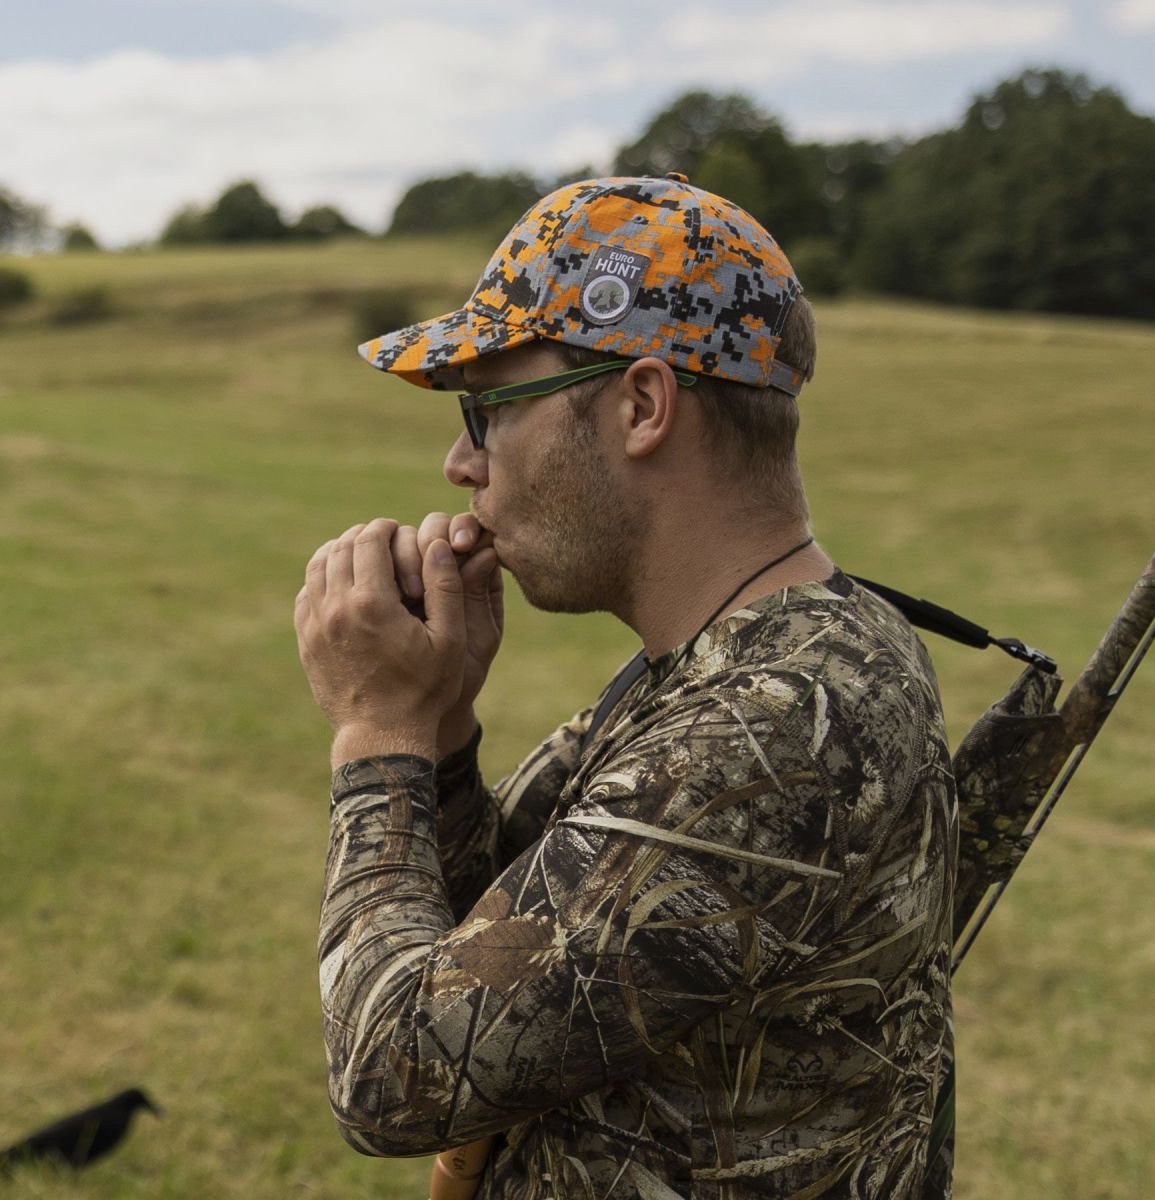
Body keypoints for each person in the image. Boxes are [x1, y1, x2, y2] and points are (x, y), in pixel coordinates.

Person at [294, 174, 957, 1199]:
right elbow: (492, 945)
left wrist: (376, 731)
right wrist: (444, 726)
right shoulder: (746, 661)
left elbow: (394, 1075)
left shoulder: (777, 723)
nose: (461, 463)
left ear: (642, 405)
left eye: (489, 409)